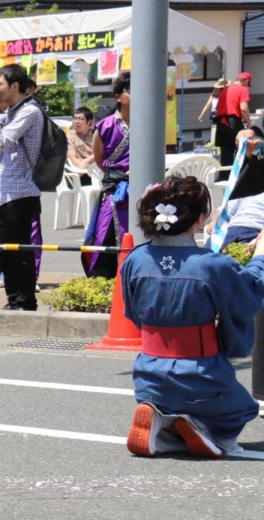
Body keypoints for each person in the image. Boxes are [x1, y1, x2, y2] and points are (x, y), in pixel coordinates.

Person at [123, 176, 264, 459]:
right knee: (242, 409)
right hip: (201, 376)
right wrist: (260, 256)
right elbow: (249, 293)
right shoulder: (211, 264)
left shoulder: (134, 260)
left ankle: (165, 424)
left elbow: (134, 315)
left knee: (174, 397)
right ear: (199, 218)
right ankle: (205, 429)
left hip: (147, 375)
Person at [0, 64, 44, 311]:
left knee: (20, 251)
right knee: (5, 250)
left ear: (15, 86)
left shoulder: (30, 111)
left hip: (22, 191)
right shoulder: (11, 111)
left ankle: (26, 300)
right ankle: (13, 298)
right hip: (5, 191)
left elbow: (1, 141)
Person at [82, 72, 132, 279]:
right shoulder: (105, 126)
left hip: (143, 188)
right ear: (118, 97)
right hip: (115, 188)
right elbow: (100, 159)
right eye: (131, 90)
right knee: (106, 233)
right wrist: (117, 174)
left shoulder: (150, 123)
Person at [215, 73, 252, 166]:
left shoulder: (224, 90)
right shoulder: (243, 89)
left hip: (221, 123)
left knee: (226, 153)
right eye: (248, 84)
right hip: (233, 122)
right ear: (246, 81)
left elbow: (217, 109)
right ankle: (240, 177)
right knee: (242, 150)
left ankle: (224, 177)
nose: (248, 87)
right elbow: (243, 108)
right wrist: (249, 123)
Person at [67, 107, 96, 175]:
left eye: (80, 119)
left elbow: (99, 154)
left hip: (96, 170)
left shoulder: (97, 134)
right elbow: (72, 158)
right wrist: (83, 167)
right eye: (74, 118)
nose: (76, 122)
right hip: (77, 170)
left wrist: (87, 161)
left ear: (89, 122)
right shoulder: (70, 135)